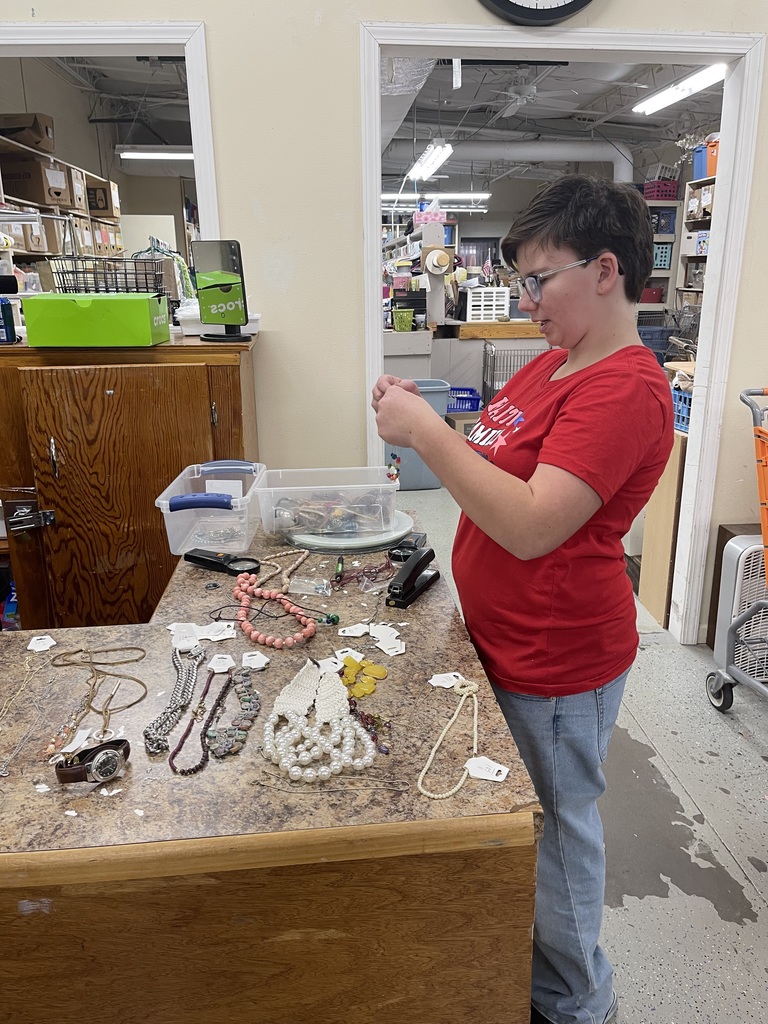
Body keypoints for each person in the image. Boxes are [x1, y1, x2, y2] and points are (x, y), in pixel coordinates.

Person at [372, 174, 674, 1024]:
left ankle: (580, 1003)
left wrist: (427, 433)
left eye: (541, 281)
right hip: (504, 637)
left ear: (606, 269)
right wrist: (426, 423)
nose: (529, 301)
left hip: (557, 656)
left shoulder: (622, 387)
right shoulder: (553, 363)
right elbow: (494, 456)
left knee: (553, 840)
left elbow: (537, 524)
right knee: (521, 828)